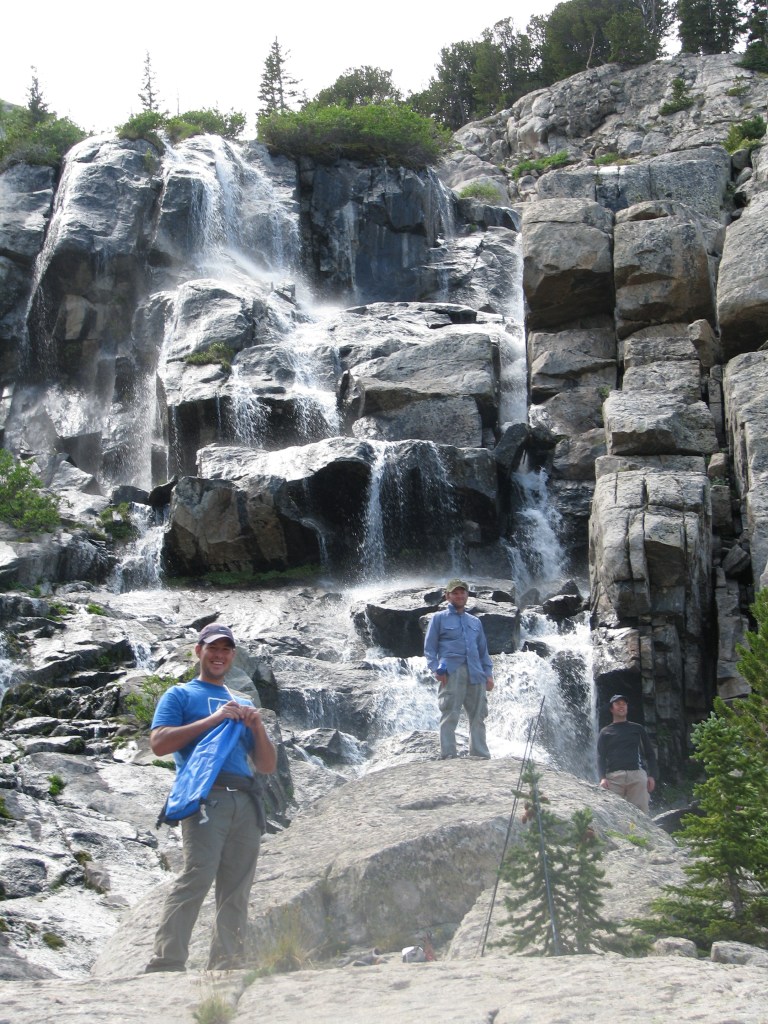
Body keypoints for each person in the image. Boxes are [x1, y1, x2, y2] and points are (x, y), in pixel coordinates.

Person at [145, 623, 277, 973]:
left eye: (225, 650)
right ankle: (167, 961)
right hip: (206, 799)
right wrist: (215, 718)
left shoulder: (245, 701)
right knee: (197, 876)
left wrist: (258, 728)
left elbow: (265, 764)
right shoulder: (179, 695)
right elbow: (159, 744)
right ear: (198, 651)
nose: (219, 655)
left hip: (245, 801)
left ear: (233, 655)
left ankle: (228, 963)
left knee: (237, 886)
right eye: (212, 648)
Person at [423, 578, 495, 759]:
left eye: (463, 592)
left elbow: (483, 651)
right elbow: (429, 648)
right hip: (452, 671)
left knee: (478, 716)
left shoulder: (475, 622)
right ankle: (448, 755)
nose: (460, 595)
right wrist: (435, 669)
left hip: (476, 672)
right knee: (450, 714)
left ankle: (480, 755)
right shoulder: (438, 619)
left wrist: (489, 674)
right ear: (447, 596)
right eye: (455, 592)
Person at [597, 693, 658, 814]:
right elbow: (600, 757)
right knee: (613, 813)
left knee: (641, 813)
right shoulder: (605, 732)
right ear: (611, 709)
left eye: (624, 704)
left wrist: (652, 776)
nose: (622, 706)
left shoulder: (637, 729)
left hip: (637, 776)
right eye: (618, 704)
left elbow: (650, 754)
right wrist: (602, 778)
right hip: (613, 778)